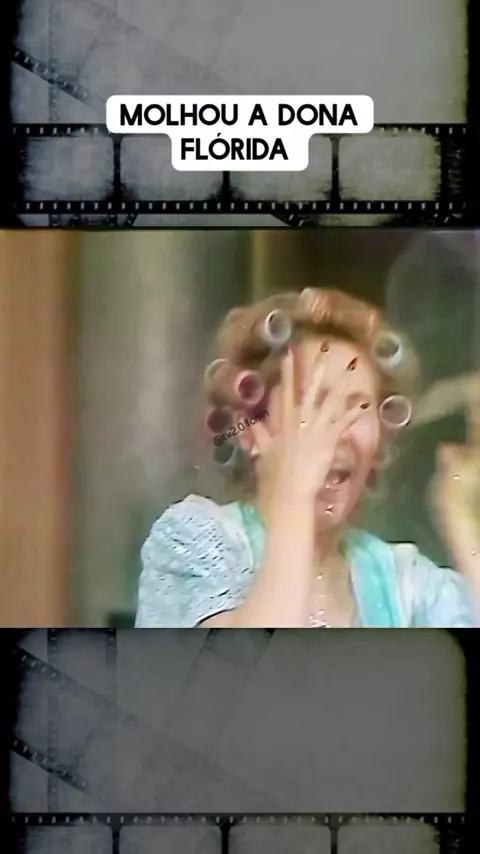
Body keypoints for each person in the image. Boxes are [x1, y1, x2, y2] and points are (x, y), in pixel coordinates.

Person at [135, 288, 479, 628]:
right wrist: (293, 494)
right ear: (249, 430)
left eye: (358, 406)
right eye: (313, 403)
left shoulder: (405, 583)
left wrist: (459, 517)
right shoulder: (194, 540)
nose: (336, 430)